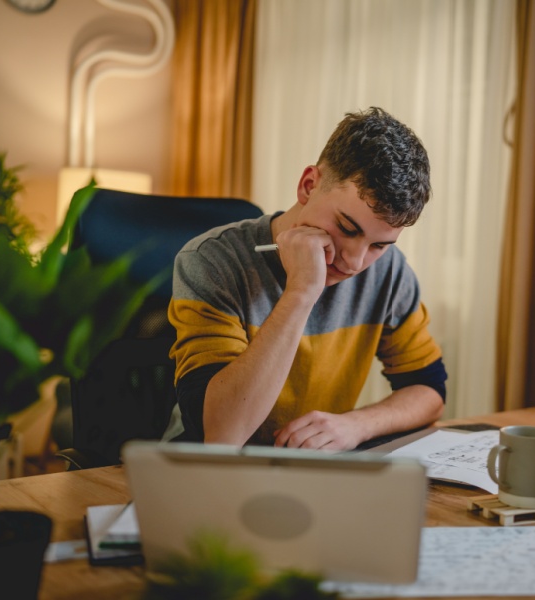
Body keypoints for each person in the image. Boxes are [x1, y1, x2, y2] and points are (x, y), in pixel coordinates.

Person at [164, 107, 447, 450]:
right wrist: (300, 293)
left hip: (315, 474)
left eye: (379, 245)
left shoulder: (388, 271)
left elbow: (430, 390)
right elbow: (223, 434)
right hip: (207, 476)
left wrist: (355, 425)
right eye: (346, 227)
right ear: (308, 185)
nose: (356, 262)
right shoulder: (210, 262)